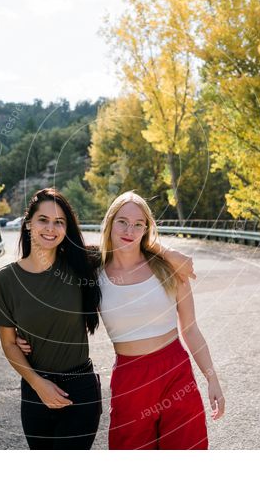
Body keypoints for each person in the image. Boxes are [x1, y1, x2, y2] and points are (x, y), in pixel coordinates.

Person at [0, 188, 193, 450]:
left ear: (66, 228)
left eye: (59, 222)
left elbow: (128, 240)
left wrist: (170, 253)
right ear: (28, 223)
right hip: (34, 390)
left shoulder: (83, 263)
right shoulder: (5, 281)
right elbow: (8, 344)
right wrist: (38, 384)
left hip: (80, 388)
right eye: (43, 220)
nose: (51, 228)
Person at [98, 192, 225, 449]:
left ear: (146, 230)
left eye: (138, 224)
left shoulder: (168, 268)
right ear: (110, 223)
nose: (129, 230)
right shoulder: (94, 274)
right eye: (122, 221)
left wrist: (212, 378)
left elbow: (190, 329)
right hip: (129, 379)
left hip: (175, 372)